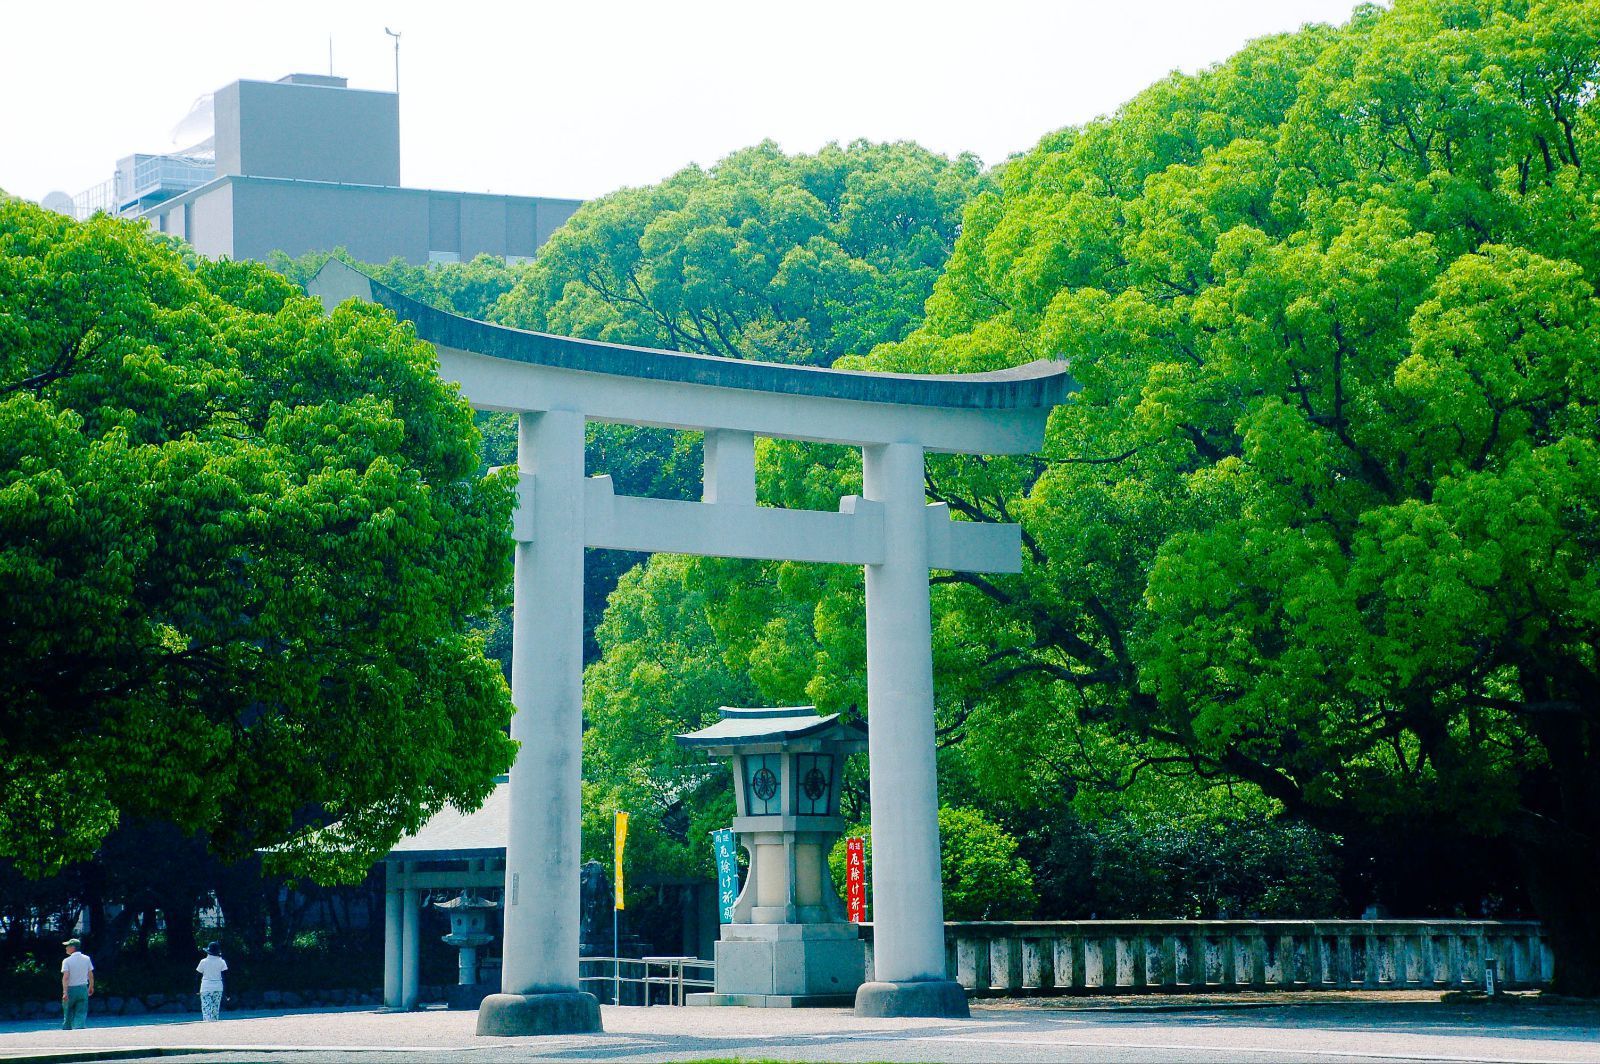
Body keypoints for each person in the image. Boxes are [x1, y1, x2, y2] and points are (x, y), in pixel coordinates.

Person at [60, 938, 93, 1030]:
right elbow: (90, 974)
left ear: (73, 948)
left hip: (71, 988)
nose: (66, 948)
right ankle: (79, 1027)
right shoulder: (87, 959)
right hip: (83, 988)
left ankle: (67, 1028)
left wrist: (65, 992)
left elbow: (66, 977)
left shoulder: (66, 961)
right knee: (81, 1011)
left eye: (68, 946)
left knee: (68, 1010)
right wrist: (91, 986)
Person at [196, 941, 228, 1021]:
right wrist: (227, 992)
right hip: (218, 987)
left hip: (206, 987)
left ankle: (207, 1028)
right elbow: (225, 978)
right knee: (215, 1011)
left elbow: (198, 976)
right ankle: (214, 1028)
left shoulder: (203, 962)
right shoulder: (222, 962)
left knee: (206, 1010)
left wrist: (196, 989)